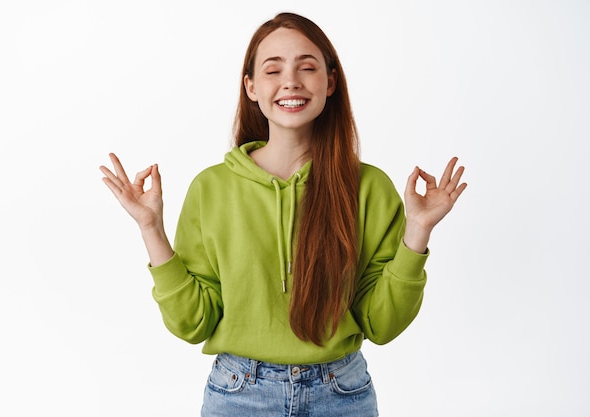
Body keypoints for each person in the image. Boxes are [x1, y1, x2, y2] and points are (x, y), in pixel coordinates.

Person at [100, 12, 466, 417]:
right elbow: (193, 323)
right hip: (238, 395)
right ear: (251, 87)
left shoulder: (368, 188)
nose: (291, 81)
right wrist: (150, 227)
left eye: (307, 67)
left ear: (330, 82)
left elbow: (382, 323)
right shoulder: (212, 188)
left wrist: (418, 230)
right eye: (273, 70)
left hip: (341, 394)